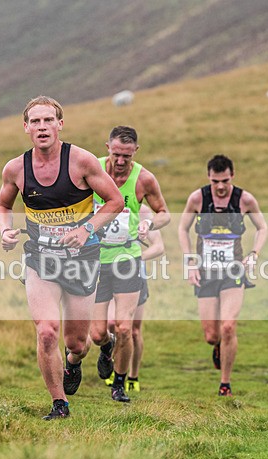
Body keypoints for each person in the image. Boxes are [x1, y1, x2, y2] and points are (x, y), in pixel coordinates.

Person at [0, 96, 124, 420]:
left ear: (59, 125)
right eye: (35, 122)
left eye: (48, 120)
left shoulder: (81, 162)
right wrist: (6, 230)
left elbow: (115, 201)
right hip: (41, 259)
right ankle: (59, 403)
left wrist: (86, 230)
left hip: (81, 260)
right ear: (26, 127)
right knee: (47, 330)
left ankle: (77, 360)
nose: (42, 127)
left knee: (78, 342)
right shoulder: (15, 169)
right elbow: (3, 206)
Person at [90, 126, 170, 403]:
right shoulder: (93, 169)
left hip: (128, 259)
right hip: (95, 261)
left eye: (127, 155)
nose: (121, 161)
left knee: (125, 327)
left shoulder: (144, 179)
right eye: (116, 154)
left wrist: (149, 223)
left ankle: (119, 384)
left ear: (136, 150)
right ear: (107, 148)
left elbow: (164, 213)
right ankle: (106, 347)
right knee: (98, 332)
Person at [178, 154, 268, 396]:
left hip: (233, 272)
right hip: (206, 273)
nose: (220, 186)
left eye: (225, 181)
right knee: (212, 335)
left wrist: (254, 254)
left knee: (228, 326)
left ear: (232, 177)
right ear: (209, 177)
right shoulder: (198, 198)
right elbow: (182, 228)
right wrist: (190, 262)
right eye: (215, 181)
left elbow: (263, 227)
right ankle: (217, 346)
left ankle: (225, 383)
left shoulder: (244, 199)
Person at [103, 204, 165, 392]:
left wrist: (135, 258)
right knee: (112, 324)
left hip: (133, 274)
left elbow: (158, 247)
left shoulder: (141, 210)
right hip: (108, 272)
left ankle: (133, 376)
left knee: (134, 331)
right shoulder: (101, 203)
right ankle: (115, 366)